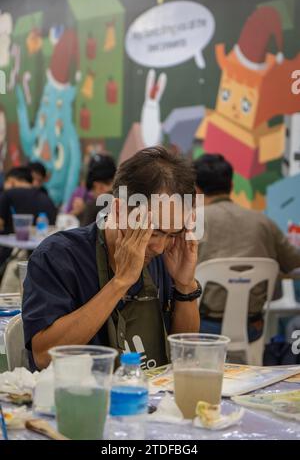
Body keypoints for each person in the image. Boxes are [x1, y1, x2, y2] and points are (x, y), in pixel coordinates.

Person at [22, 147, 201, 371]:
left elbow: (184, 355)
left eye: (172, 234)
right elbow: (43, 357)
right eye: (152, 232)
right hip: (80, 398)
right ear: (117, 210)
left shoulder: (166, 258)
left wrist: (185, 286)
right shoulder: (59, 256)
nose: (159, 246)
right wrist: (120, 282)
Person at [194, 154, 300, 341]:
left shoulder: (192, 222)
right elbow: (293, 261)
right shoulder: (264, 222)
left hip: (202, 328)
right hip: (251, 327)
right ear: (232, 186)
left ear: (196, 189)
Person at [80, 154, 116, 226]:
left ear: (98, 186)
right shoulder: (128, 200)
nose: (92, 195)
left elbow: (83, 235)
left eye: (92, 191)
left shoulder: (95, 206)